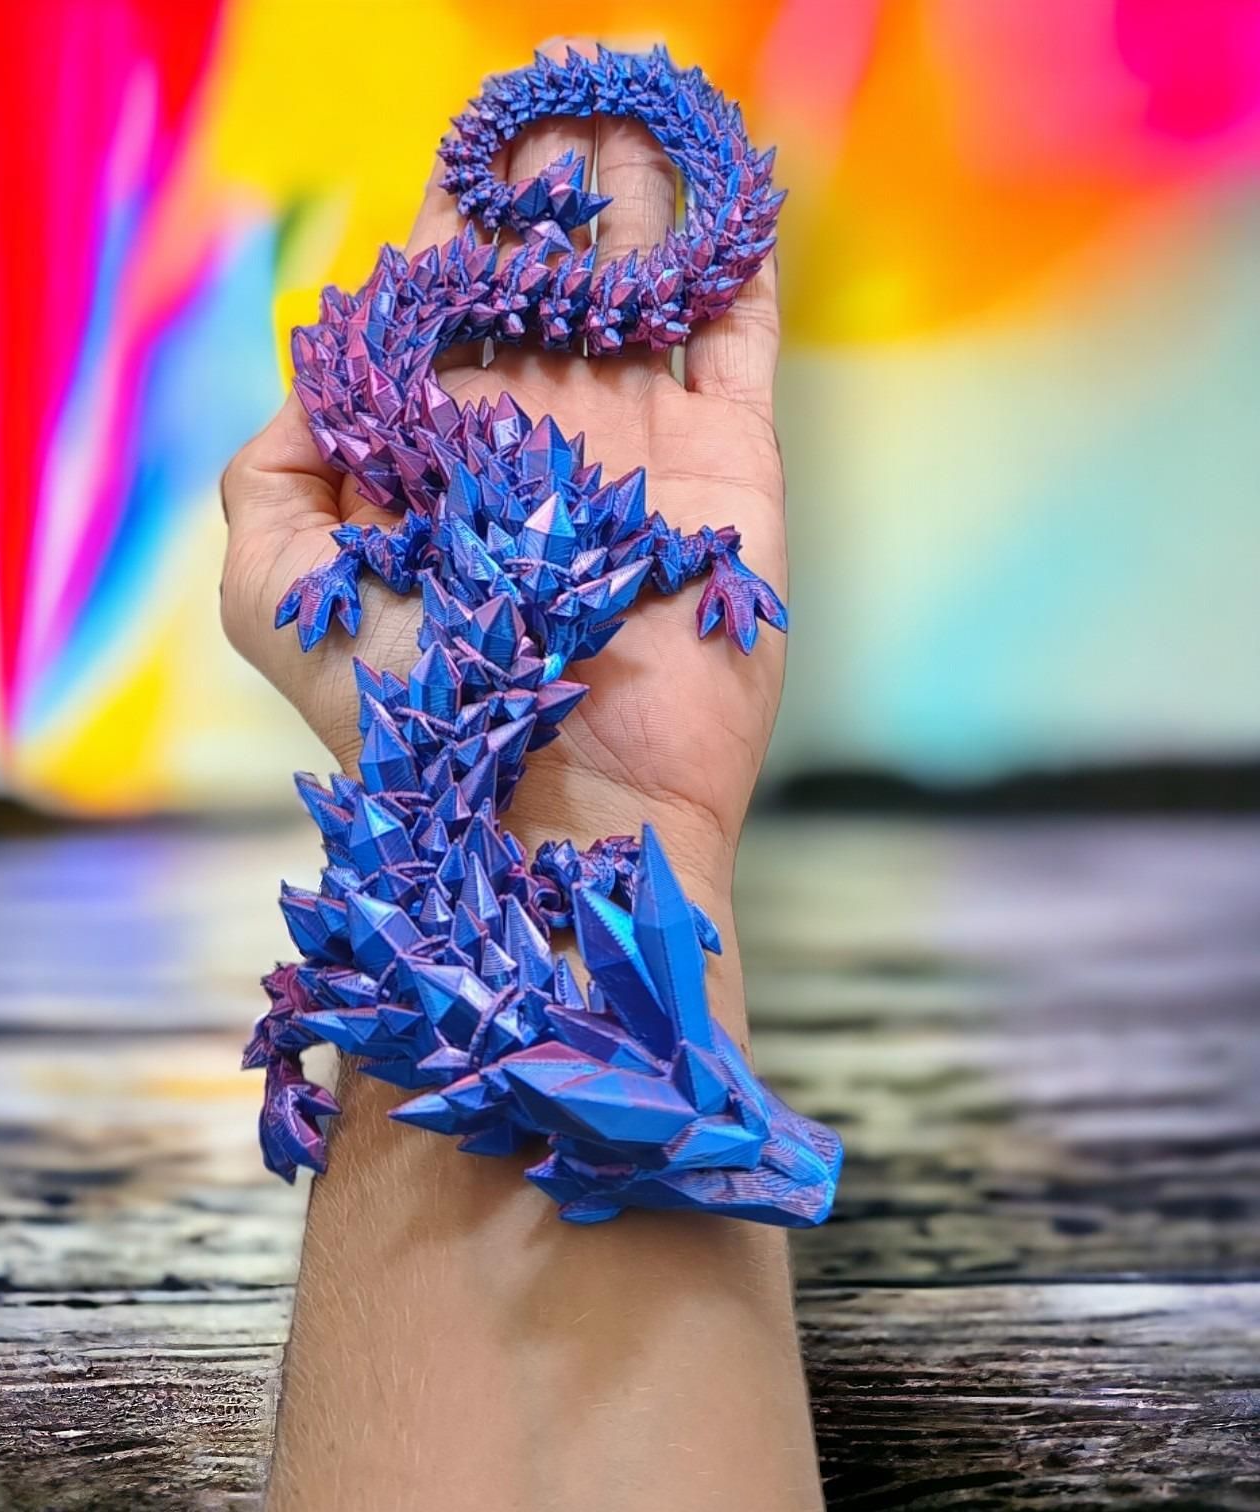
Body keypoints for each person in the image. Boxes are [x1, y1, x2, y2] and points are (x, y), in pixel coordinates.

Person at [219, 37, 822, 1512]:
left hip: (500, 584)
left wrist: (595, 814)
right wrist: (605, 818)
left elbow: (318, 986)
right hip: (501, 562)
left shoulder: (454, 968)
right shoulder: (507, 970)